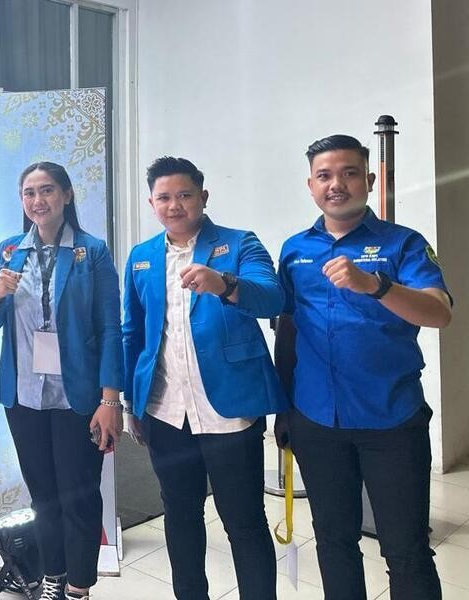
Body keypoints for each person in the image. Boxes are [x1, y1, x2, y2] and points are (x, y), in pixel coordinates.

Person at [275, 134, 452, 600]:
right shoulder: (294, 249)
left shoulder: (403, 244)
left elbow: (440, 313)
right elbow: (288, 329)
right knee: (334, 542)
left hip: (391, 420)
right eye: (324, 175)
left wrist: (376, 285)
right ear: (311, 186)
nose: (336, 184)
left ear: (369, 181)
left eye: (349, 173)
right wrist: (284, 408)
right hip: (316, 419)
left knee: (406, 549)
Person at [121, 156, 284, 600]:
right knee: (180, 514)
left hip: (228, 411)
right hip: (165, 410)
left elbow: (272, 299)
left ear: (203, 197)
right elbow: (133, 333)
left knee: (244, 520)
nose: (174, 205)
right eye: (164, 197)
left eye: (185, 195)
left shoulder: (239, 243)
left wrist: (225, 284)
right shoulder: (141, 257)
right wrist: (132, 403)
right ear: (152, 203)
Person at [0, 161, 121, 600]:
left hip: (77, 395)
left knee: (79, 495)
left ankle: (78, 586)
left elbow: (110, 328)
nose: (38, 201)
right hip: (24, 396)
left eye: (47, 191)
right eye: (29, 193)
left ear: (66, 195)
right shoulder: (9, 251)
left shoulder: (91, 252)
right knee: (42, 495)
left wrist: (110, 399)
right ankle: (52, 578)